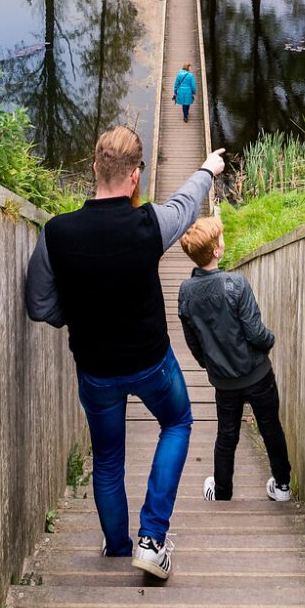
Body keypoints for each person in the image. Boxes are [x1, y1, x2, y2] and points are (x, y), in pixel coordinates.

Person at [25, 127, 227, 580]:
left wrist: (75, 314)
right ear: (135, 177)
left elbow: (39, 305)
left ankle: (117, 547)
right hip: (152, 364)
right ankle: (151, 539)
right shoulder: (148, 225)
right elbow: (184, 204)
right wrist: (207, 170)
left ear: (95, 167)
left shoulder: (57, 234)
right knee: (177, 422)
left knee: (109, 458)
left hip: (96, 371)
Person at [176, 217, 292, 504]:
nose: (223, 242)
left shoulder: (185, 293)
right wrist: (270, 341)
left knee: (226, 434)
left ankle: (223, 493)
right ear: (216, 251)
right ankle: (281, 487)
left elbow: (193, 342)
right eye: (220, 239)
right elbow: (255, 332)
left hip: (224, 381)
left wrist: (212, 363)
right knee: (270, 427)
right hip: (257, 374)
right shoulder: (236, 284)